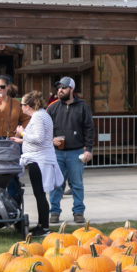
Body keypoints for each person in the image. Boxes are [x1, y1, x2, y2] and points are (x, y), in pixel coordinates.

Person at [11, 90, 63, 236]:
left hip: (39, 161)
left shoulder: (39, 116)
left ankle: (44, 227)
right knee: (39, 194)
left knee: (39, 194)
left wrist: (22, 133)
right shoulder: (40, 115)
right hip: (39, 158)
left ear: (28, 106)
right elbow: (42, 139)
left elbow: (39, 138)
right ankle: (41, 224)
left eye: (22, 104)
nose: (21, 107)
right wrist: (22, 140)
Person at [47, 76, 94, 224]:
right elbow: (44, 129)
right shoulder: (52, 107)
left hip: (76, 151)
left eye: (64, 87)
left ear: (72, 89)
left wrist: (88, 149)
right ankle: (54, 212)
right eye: (59, 87)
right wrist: (51, 140)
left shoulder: (82, 107)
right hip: (57, 153)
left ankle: (78, 212)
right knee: (56, 184)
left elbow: (89, 129)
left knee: (77, 184)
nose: (60, 90)